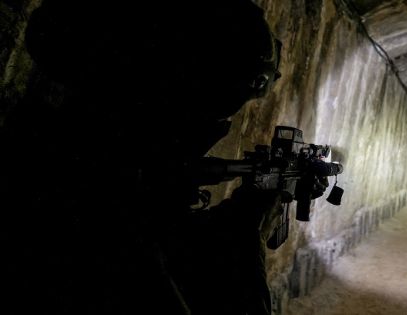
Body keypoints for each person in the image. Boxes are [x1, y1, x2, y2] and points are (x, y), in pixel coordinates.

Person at [1, 1, 287, 314]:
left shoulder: (67, 152)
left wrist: (242, 211)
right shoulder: (82, 199)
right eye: (208, 112)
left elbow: (165, 231)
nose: (208, 131)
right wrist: (248, 228)